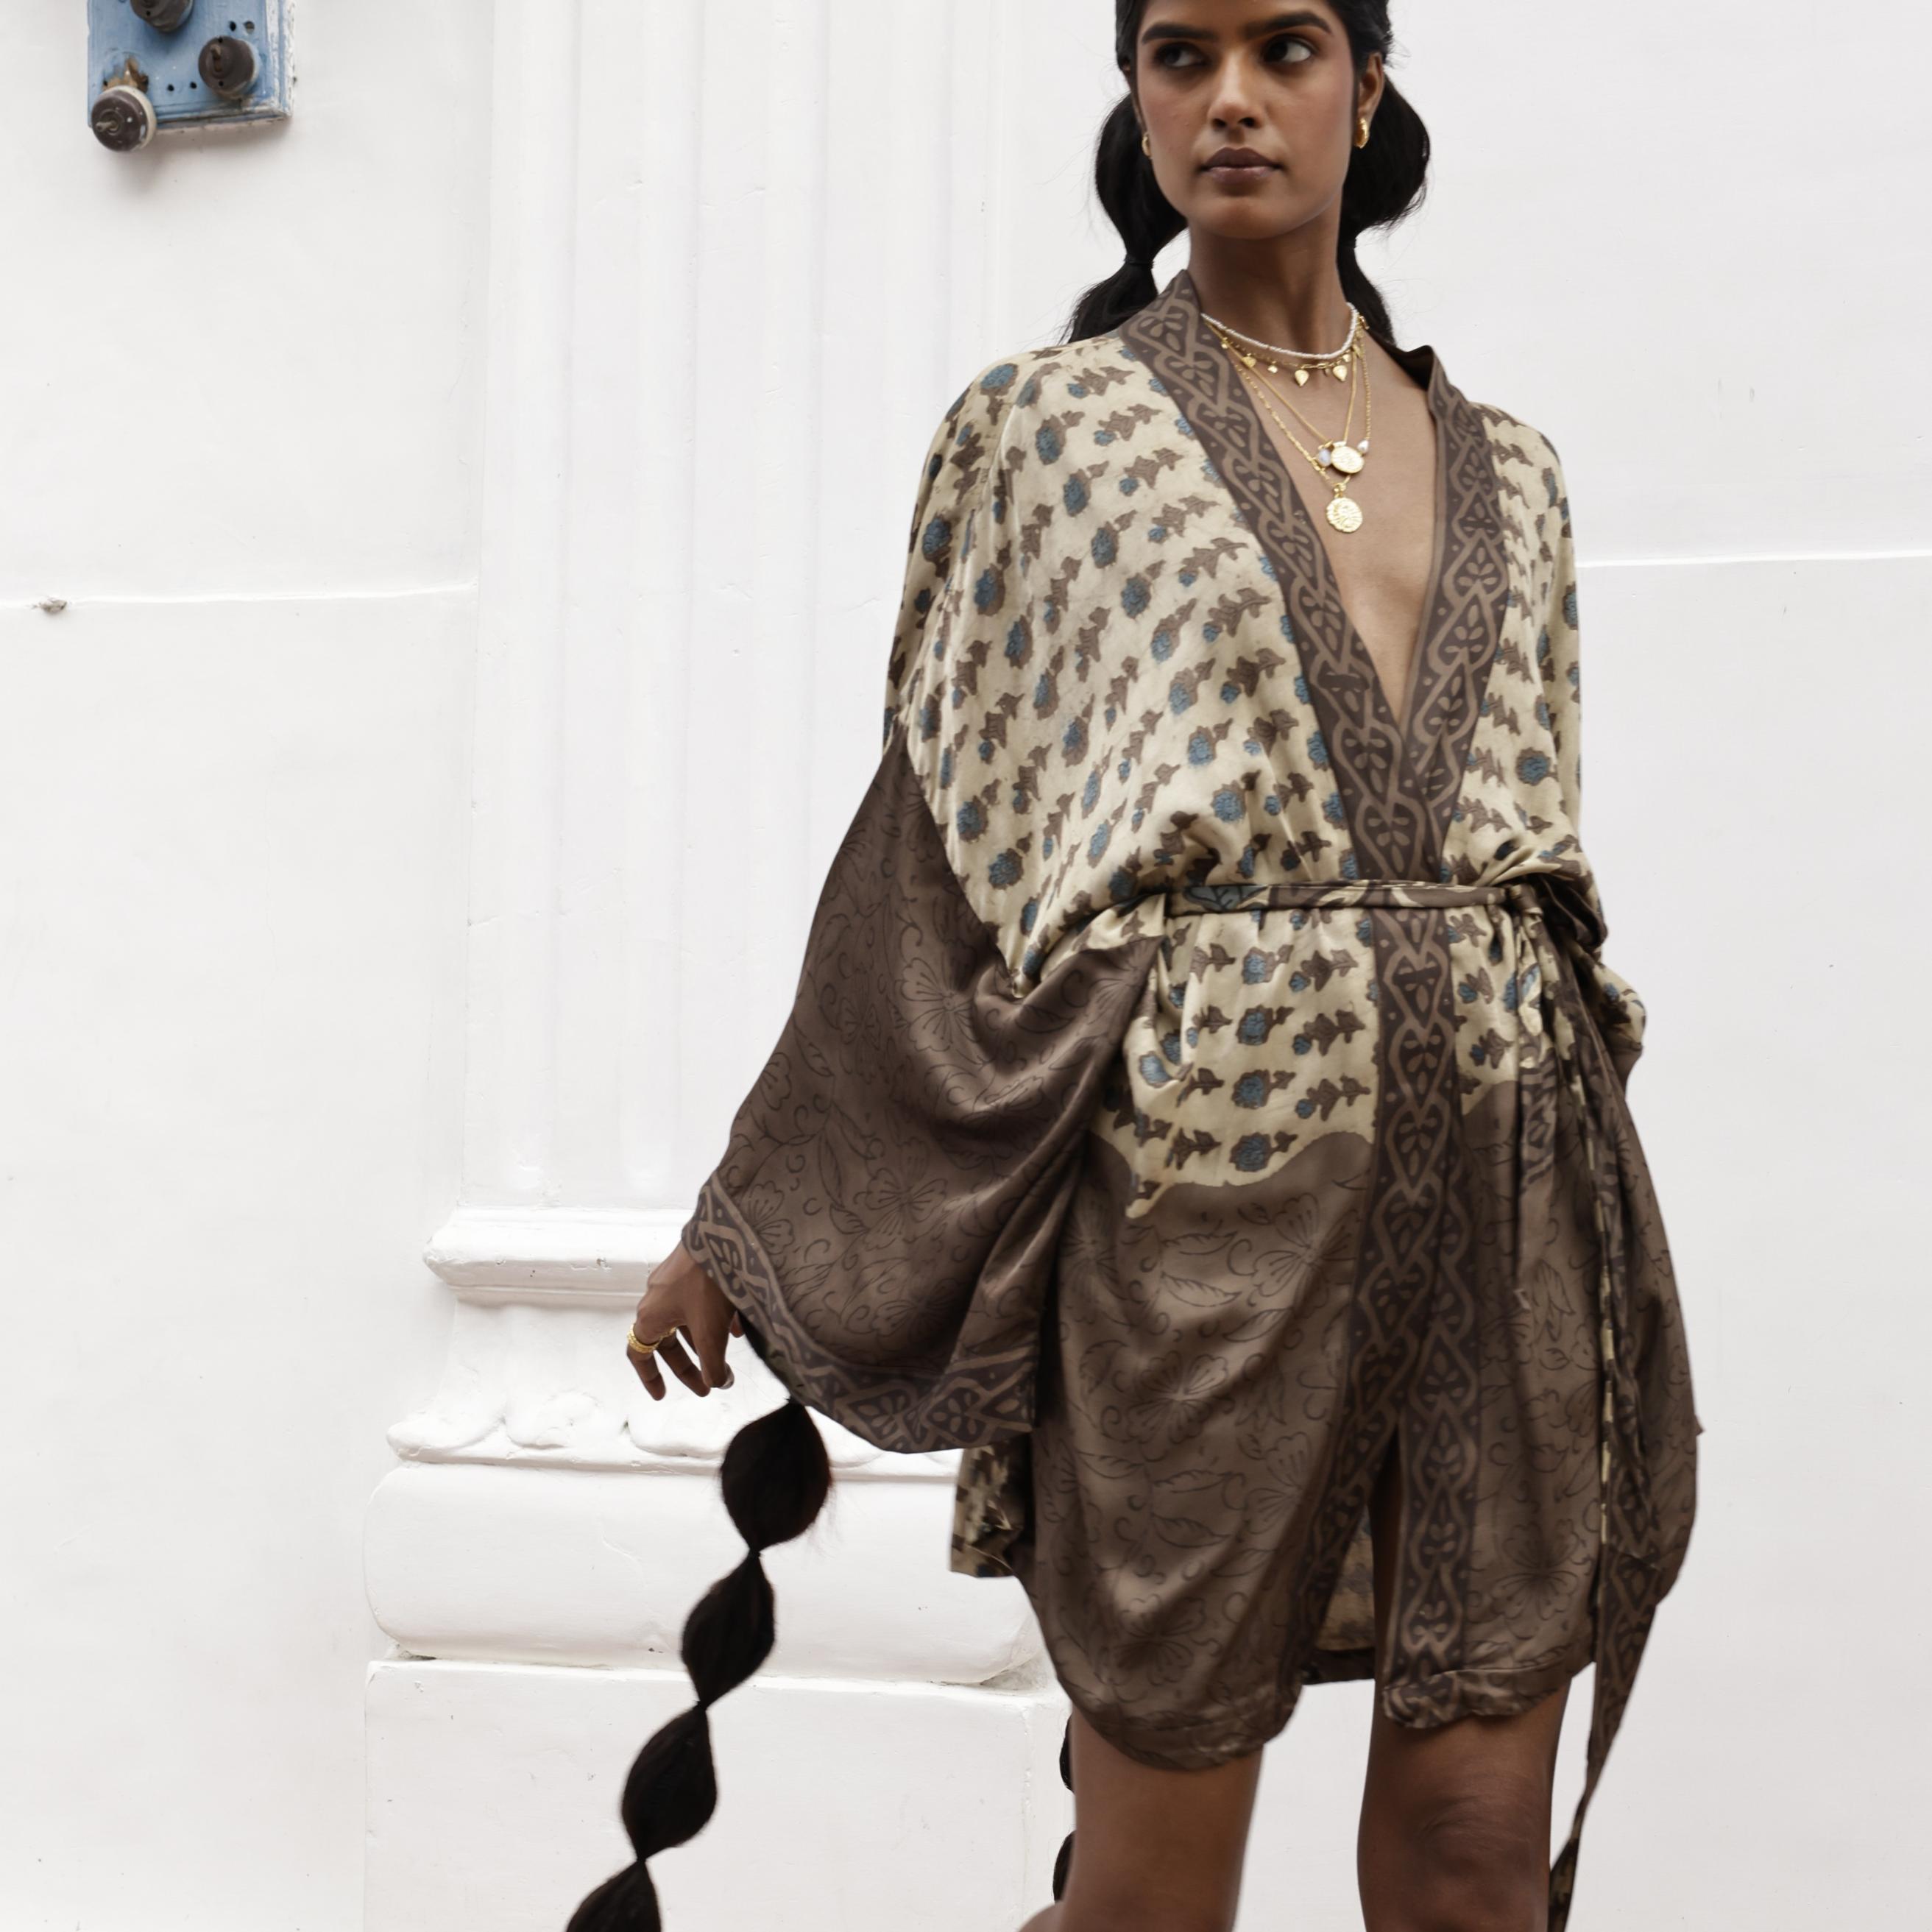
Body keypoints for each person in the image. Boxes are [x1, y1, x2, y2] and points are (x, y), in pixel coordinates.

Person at [567, 5, 1700, 1930]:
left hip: (1514, 1201)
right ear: (1138, 98)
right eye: (1181, 54)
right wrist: (759, 1214)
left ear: (1368, 84)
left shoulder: (1516, 469)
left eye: (1286, 48)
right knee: (1153, 1894)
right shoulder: (1048, 434)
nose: (1232, 98)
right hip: (1201, 1202)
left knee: (1472, 1866)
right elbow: (941, 844)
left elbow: (1548, 872)